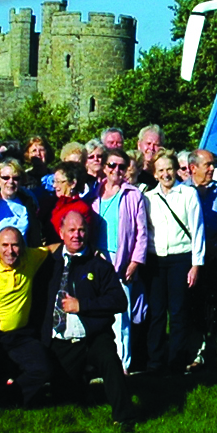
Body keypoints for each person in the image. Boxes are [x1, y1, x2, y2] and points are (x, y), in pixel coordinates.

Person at [37, 206, 134, 431]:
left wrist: (83, 306)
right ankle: (81, 383)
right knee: (66, 399)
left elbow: (119, 302)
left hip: (93, 336)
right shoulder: (48, 264)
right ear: (60, 233)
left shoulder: (99, 265)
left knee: (110, 360)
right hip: (61, 341)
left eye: (81, 230)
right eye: (71, 230)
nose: (76, 235)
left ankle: (124, 417)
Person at [0, 225, 51, 407]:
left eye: (15, 245)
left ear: (23, 246)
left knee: (42, 368)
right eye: (4, 245)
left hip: (20, 336)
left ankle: (6, 399)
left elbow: (53, 248)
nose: (10, 251)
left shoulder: (31, 257)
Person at [143, 151, 205, 371]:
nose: (166, 174)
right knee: (157, 312)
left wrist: (196, 265)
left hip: (181, 258)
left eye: (169, 169)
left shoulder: (188, 194)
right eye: (160, 170)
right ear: (155, 174)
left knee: (179, 311)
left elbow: (198, 231)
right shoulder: (148, 198)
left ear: (176, 170)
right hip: (156, 261)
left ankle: (177, 361)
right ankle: (155, 361)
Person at [90, 148, 151, 371]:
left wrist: (135, 262)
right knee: (96, 312)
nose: (116, 170)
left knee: (121, 315)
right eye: (112, 166)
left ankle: (122, 364)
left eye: (121, 166)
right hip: (97, 258)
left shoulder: (133, 194)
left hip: (122, 259)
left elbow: (141, 232)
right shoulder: (94, 194)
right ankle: (99, 363)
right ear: (104, 167)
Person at [184, 150, 217, 367]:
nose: (212, 169)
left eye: (213, 164)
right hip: (190, 260)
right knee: (194, 306)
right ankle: (196, 353)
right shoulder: (182, 192)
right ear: (192, 168)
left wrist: (213, 246)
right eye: (207, 164)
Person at [0, 159, 40, 244]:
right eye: (5, 178)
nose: (10, 182)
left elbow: (34, 236)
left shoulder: (29, 203)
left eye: (16, 178)